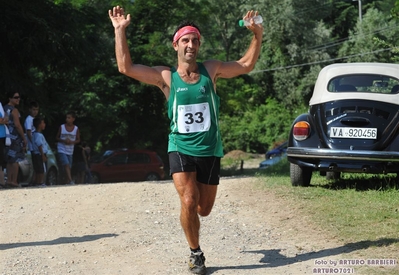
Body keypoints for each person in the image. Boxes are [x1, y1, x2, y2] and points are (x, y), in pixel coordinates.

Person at [109, 6, 263, 274]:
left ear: (199, 44)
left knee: (203, 209)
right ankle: (196, 253)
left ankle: (196, 243)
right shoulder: (166, 77)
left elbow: (246, 64)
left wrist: (257, 35)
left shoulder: (211, 70)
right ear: (175, 45)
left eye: (195, 40)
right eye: (185, 40)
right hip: (179, 147)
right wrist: (120, 31)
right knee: (189, 201)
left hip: (210, 149)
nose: (191, 45)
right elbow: (126, 67)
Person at [3, 91, 28, 188]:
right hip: (15, 137)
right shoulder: (14, 110)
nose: (18, 99)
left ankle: (9, 180)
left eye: (19, 97)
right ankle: (14, 181)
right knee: (16, 159)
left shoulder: (4, 108)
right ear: (10, 98)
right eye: (15, 97)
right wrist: (23, 137)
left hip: (6, 137)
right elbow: (17, 125)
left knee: (9, 159)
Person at [56, 111, 80, 185]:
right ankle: (70, 180)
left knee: (69, 166)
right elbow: (57, 137)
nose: (67, 119)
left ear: (73, 119)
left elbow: (78, 139)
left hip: (70, 150)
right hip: (62, 149)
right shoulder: (62, 127)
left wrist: (72, 142)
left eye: (69, 118)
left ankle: (66, 181)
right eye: (66, 118)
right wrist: (63, 140)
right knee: (66, 164)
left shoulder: (76, 129)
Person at [24, 101, 40, 185]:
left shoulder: (34, 119)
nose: (35, 111)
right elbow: (29, 132)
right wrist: (33, 143)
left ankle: (35, 181)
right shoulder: (29, 119)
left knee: (36, 164)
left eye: (36, 110)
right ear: (30, 109)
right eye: (34, 109)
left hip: (35, 145)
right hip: (32, 146)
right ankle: (33, 182)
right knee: (35, 164)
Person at [31, 117, 48, 187]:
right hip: (40, 154)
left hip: (36, 154)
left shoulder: (34, 134)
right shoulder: (38, 135)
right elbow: (39, 145)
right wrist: (43, 155)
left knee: (38, 168)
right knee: (41, 168)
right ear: (39, 125)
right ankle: (40, 182)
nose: (44, 124)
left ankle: (38, 182)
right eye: (43, 123)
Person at [0, 103, 9, 189]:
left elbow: (6, 119)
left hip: (2, 136)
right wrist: (4, 120)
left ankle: (2, 181)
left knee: (1, 159)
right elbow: (2, 120)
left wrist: (4, 119)